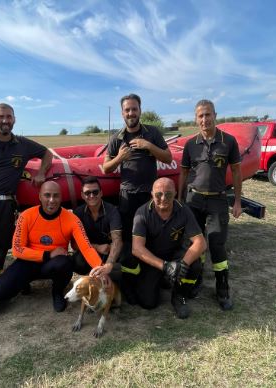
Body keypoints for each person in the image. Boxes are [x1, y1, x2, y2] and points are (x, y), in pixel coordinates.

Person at [0, 103, 52, 314]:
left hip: (8, 203)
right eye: (1, 117)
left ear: (14, 119)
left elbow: (47, 153)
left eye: (9, 117)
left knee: (1, 245)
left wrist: (41, 172)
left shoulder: (22, 144)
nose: (5, 120)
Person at [0, 181, 112, 312]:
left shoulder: (72, 219)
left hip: (53, 265)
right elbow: (17, 249)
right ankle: (22, 284)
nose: (52, 200)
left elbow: (86, 247)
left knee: (64, 263)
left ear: (61, 197)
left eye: (56, 196)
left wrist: (101, 270)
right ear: (40, 197)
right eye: (47, 195)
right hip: (28, 262)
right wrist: (47, 254)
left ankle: (57, 292)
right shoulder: (26, 216)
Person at [102, 93, 172, 298]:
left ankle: (156, 276)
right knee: (128, 240)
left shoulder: (153, 133)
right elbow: (106, 168)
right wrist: (120, 158)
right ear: (122, 113)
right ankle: (130, 283)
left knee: (154, 237)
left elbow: (167, 157)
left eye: (134, 109)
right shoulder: (116, 138)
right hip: (127, 197)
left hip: (150, 197)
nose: (131, 113)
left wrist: (148, 146)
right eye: (127, 110)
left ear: (140, 110)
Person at [178, 99, 243, 310]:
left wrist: (238, 202)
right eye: (200, 116)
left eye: (207, 115)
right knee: (194, 244)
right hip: (193, 200)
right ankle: (194, 281)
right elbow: (184, 173)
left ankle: (222, 289)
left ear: (215, 115)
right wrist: (180, 200)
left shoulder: (229, 142)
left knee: (216, 243)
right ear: (196, 119)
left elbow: (236, 172)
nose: (204, 119)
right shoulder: (190, 144)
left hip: (217, 199)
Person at [132, 178, 206, 319]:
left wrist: (183, 264)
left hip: (175, 255)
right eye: (159, 194)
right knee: (148, 303)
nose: (164, 198)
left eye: (169, 194)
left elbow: (201, 243)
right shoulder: (142, 213)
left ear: (175, 193)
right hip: (153, 259)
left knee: (195, 264)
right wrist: (165, 267)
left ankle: (179, 295)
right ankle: (163, 280)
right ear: (152, 194)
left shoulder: (184, 210)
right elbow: (137, 248)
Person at [71, 176, 122, 282]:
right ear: (82, 195)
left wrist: (108, 265)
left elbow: (118, 241)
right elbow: (74, 245)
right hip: (91, 251)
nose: (91, 196)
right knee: (77, 262)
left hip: (108, 251)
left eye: (95, 192)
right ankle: (95, 275)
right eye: (87, 193)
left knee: (122, 258)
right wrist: (97, 247)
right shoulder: (78, 213)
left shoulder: (112, 210)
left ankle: (106, 273)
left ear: (101, 193)